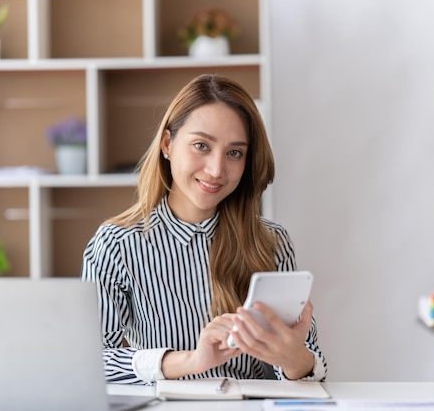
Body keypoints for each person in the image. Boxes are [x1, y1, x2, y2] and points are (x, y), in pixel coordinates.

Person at [81, 73, 327, 384]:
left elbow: (303, 369)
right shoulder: (116, 244)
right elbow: (90, 360)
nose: (216, 169)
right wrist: (190, 361)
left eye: (234, 152)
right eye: (201, 145)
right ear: (167, 144)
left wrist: (295, 360)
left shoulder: (271, 241)